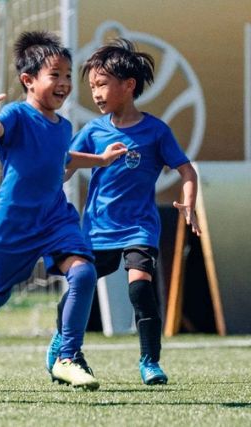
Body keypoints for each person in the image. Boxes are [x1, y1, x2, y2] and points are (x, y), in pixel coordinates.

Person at [0, 31, 127, 396]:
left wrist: (100, 160)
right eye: (56, 74)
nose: (65, 83)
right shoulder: (17, 114)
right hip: (13, 223)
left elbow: (62, 158)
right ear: (28, 80)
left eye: (68, 75)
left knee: (83, 274)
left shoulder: (63, 127)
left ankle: (67, 356)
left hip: (54, 217)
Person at [49, 38, 201, 386]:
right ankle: (62, 344)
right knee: (80, 285)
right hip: (98, 228)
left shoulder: (155, 131)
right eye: (92, 87)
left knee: (140, 290)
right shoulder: (93, 131)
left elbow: (186, 170)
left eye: (102, 84)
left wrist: (188, 202)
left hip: (139, 227)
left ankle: (150, 362)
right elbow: (65, 165)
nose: (96, 94)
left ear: (129, 85)